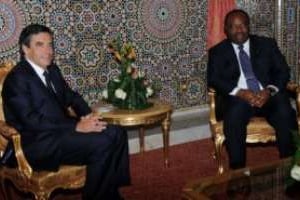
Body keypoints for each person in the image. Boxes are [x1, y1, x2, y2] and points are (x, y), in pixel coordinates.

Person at [1, 24, 130, 200]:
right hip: (37, 143)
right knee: (102, 142)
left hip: (60, 133)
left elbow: (72, 97)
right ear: (25, 49)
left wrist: (88, 115)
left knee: (118, 133)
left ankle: (110, 192)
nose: (48, 51)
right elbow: (32, 121)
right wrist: (76, 126)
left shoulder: (52, 71)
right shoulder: (16, 79)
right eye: (40, 45)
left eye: (50, 44)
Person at [207, 9, 298, 169]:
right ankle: (238, 171)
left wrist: (268, 91)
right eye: (233, 26)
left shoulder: (267, 44)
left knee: (284, 110)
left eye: (243, 25)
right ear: (225, 29)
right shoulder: (218, 52)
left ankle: (290, 165)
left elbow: (283, 71)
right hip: (239, 99)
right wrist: (240, 92)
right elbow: (214, 79)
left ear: (249, 27)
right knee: (234, 114)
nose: (239, 30)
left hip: (267, 96)